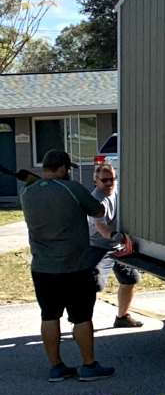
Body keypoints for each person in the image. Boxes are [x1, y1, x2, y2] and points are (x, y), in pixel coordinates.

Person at [20, 149, 115, 382]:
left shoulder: (27, 192)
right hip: (76, 267)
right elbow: (99, 210)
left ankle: (56, 367)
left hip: (43, 268)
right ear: (62, 168)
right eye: (68, 169)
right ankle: (89, 365)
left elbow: (44, 192)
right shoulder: (72, 189)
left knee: (49, 316)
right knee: (82, 317)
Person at [88, 162, 142, 328]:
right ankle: (82, 324)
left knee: (130, 279)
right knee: (92, 283)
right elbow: (101, 228)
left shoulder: (118, 190)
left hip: (118, 245)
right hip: (98, 245)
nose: (110, 183)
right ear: (96, 180)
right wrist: (115, 236)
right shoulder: (95, 199)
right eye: (105, 180)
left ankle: (122, 317)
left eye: (113, 179)